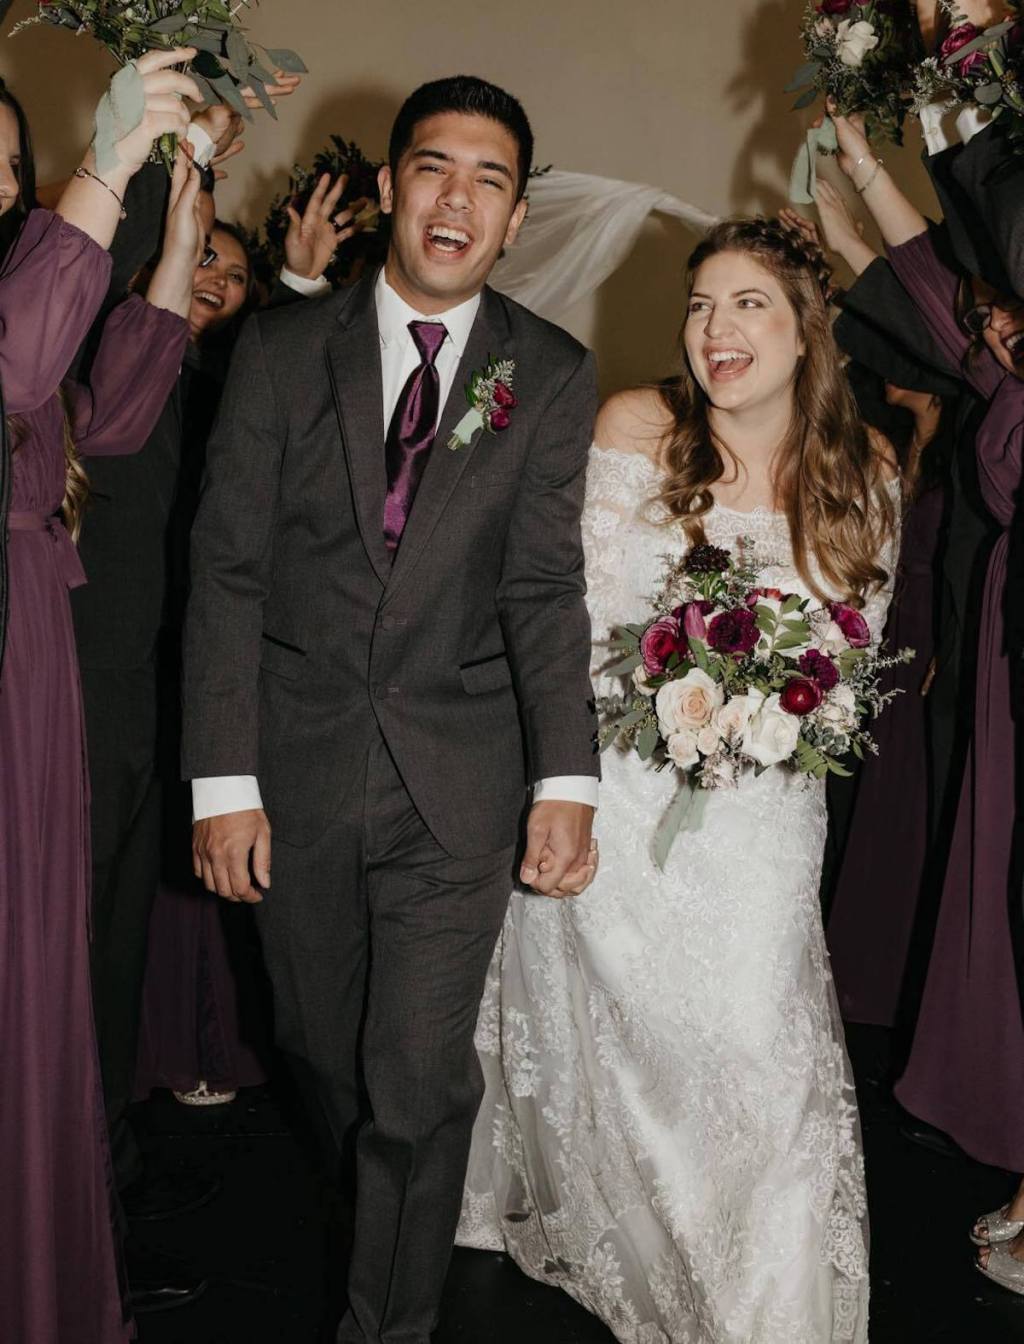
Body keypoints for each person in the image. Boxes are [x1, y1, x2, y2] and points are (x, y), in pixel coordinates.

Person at [182, 75, 600, 1343]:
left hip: (455, 788)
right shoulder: (277, 351)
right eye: (432, 168)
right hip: (292, 778)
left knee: (418, 1088)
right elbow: (227, 572)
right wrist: (222, 780)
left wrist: (565, 784)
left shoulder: (551, 371)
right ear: (388, 190)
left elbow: (541, 589)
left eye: (486, 179)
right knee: (323, 1056)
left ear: (516, 215)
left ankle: (389, 1327)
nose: (455, 198)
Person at [459, 217, 900, 1343]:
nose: (716, 329)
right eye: (700, 305)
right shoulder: (634, 428)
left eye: (749, 302)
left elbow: (851, 662)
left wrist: (763, 712)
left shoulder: (866, 473)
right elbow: (574, 622)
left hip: (763, 816)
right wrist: (653, 714)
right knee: (625, 1042)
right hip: (620, 788)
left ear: (807, 330)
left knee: (756, 1054)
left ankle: (768, 1313)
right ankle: (639, 1236)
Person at [0, 48, 205, 1343]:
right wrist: (102, 165)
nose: (5, 188)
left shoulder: (23, 287)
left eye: (12, 167)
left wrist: (178, 228)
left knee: (36, 974)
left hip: (30, 660)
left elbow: (111, 405)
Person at [825, 106, 1024, 1274]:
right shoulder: (997, 365)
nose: (988, 315)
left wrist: (971, 102)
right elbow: (924, 281)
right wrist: (862, 162)